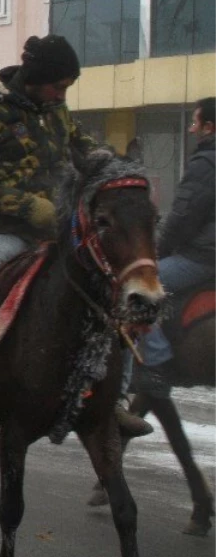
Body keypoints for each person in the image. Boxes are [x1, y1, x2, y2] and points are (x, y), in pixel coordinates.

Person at [0, 34, 152, 436]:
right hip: (3, 234)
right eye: (59, 86)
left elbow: (83, 148)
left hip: (62, 233)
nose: (62, 95)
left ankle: (117, 397)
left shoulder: (56, 108)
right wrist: (26, 207)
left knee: (116, 281)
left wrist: (110, 164)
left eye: (66, 89)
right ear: (36, 78)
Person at [124, 98, 216, 389]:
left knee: (136, 287)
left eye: (195, 122)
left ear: (209, 128)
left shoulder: (206, 163)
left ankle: (156, 362)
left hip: (202, 258)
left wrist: (156, 253)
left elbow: (184, 218)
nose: (191, 129)